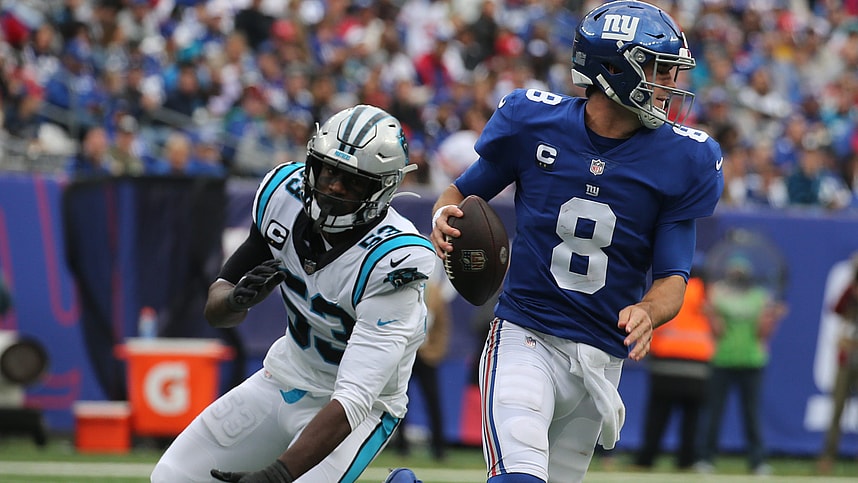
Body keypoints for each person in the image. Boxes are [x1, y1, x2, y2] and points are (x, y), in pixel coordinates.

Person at [429, 2, 723, 482]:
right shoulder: (533, 122)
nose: (671, 83)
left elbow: (673, 279)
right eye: (659, 68)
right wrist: (443, 216)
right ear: (613, 69)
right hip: (526, 334)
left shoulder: (683, 158)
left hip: (600, 359)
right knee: (519, 475)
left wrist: (648, 311)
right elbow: (458, 193)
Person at [150, 104, 436, 482]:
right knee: (172, 476)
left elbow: (353, 399)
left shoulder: (393, 260)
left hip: (358, 410)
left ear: (382, 189)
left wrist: (276, 476)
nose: (335, 186)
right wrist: (235, 301)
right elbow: (216, 309)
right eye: (330, 171)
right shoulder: (283, 197)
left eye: (353, 181)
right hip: (285, 376)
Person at [694, 256, 787, 475]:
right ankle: (705, 458)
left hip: (752, 361)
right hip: (723, 359)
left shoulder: (759, 297)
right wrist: (712, 316)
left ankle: (757, 461)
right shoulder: (718, 295)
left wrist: (772, 318)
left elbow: (762, 334)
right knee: (713, 412)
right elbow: (717, 332)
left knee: (751, 414)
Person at [633, 271, 714, 470]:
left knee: (657, 415)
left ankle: (646, 459)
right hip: (697, 365)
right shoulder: (707, 293)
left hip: (665, 363)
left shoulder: (668, 291)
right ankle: (687, 461)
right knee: (692, 418)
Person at [818, 261, 858, 473]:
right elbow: (836, 308)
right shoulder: (850, 292)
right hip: (848, 356)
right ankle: (828, 456)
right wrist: (852, 288)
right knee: (837, 409)